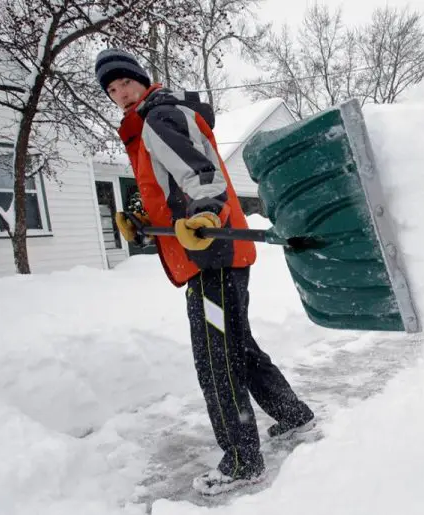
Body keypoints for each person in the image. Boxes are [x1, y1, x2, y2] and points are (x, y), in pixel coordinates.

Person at [94, 49, 315, 496]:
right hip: (214, 254)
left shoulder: (158, 117)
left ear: (141, 80)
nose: (119, 95)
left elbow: (200, 173)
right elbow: (167, 183)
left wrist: (208, 213)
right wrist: (140, 216)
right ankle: (293, 416)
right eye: (112, 90)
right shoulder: (153, 121)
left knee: (216, 359)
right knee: (237, 346)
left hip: (209, 255)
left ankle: (241, 461)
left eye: (124, 84)